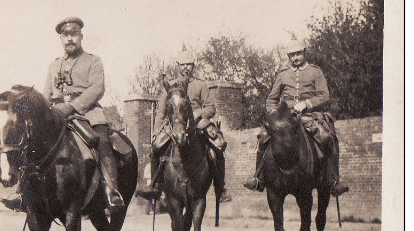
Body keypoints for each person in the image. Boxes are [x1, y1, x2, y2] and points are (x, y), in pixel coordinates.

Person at [2, 16, 124, 212]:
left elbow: (97, 89)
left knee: (102, 141)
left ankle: (112, 191)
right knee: (33, 142)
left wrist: (73, 106)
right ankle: (23, 193)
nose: (70, 39)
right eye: (65, 35)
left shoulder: (93, 61)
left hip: (88, 113)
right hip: (57, 113)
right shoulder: (54, 65)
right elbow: (45, 96)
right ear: (61, 39)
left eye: (74, 34)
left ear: (81, 36)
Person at [243, 39, 349, 197]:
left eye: (298, 53)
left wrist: (306, 103)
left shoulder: (315, 71)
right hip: (285, 117)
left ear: (304, 53)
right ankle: (258, 178)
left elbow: (324, 96)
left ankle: (333, 181)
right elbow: (271, 99)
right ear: (288, 57)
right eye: (292, 55)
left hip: (310, 115)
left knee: (327, 136)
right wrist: (273, 113)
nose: (296, 57)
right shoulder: (283, 75)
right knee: (263, 136)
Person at [136, 49, 231, 203]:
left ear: (194, 66)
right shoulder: (171, 86)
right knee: (157, 148)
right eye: (183, 64)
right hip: (174, 122)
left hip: (197, 122)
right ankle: (156, 185)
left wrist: (198, 113)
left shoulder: (201, 85)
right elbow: (161, 111)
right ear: (177, 66)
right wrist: (156, 131)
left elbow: (211, 108)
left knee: (218, 146)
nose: (186, 67)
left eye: (189, 64)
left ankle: (220, 187)